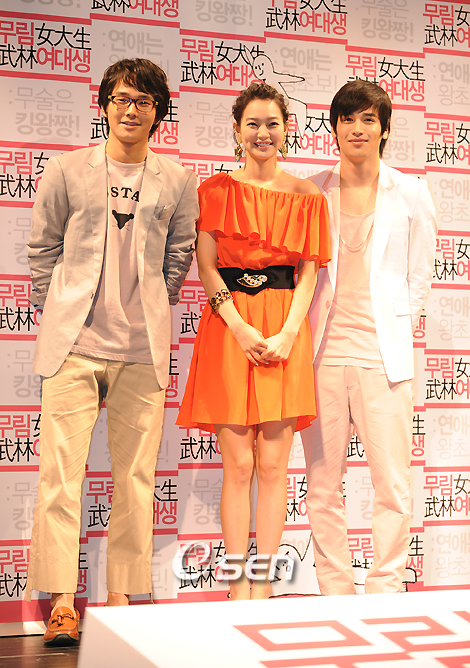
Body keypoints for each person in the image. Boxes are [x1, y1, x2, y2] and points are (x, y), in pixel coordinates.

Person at [25, 58, 198, 644]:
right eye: (121, 98)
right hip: (73, 347)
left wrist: (152, 305)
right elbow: (42, 248)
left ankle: (122, 599)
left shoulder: (177, 180)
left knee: (136, 478)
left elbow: (179, 253)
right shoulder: (67, 169)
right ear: (104, 105)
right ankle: (62, 602)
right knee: (59, 477)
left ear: (158, 113)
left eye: (143, 101)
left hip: (141, 351)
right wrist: (59, 310)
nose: (131, 109)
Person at [177, 82, 330, 601]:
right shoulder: (214, 190)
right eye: (253, 124)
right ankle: (236, 585)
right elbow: (207, 265)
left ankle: (263, 587)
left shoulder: (308, 195)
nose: (263, 133)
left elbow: (308, 273)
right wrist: (239, 327)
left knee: (272, 466)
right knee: (239, 465)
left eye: (272, 123)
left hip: (285, 330)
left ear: (287, 129)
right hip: (229, 329)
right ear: (236, 130)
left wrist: (288, 333)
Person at [302, 79, 438, 595]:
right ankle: (335, 590)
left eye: (368, 119)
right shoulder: (311, 190)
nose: (357, 129)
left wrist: (398, 324)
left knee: (392, 484)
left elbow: (420, 274)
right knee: (322, 485)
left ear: (384, 129)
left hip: (384, 359)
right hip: (321, 355)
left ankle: (386, 588)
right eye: (347, 119)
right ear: (334, 128)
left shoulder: (411, 192)